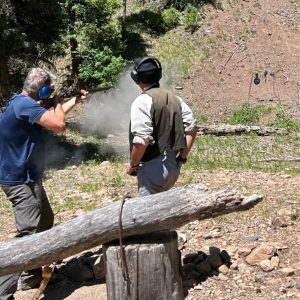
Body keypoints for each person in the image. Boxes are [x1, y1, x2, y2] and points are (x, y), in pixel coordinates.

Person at [0, 67, 88, 300]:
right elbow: (59, 125)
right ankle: (3, 290)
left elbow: (52, 117)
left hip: (27, 177)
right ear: (44, 89)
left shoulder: (22, 103)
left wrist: (73, 101)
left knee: (45, 219)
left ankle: (31, 277)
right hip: (19, 180)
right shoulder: (26, 105)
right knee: (27, 234)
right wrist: (58, 103)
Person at [126, 56, 197, 196]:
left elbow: (141, 140)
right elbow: (192, 129)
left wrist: (133, 165)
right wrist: (181, 159)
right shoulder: (176, 99)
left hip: (152, 169)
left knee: (149, 213)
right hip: (172, 167)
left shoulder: (142, 101)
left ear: (136, 77)